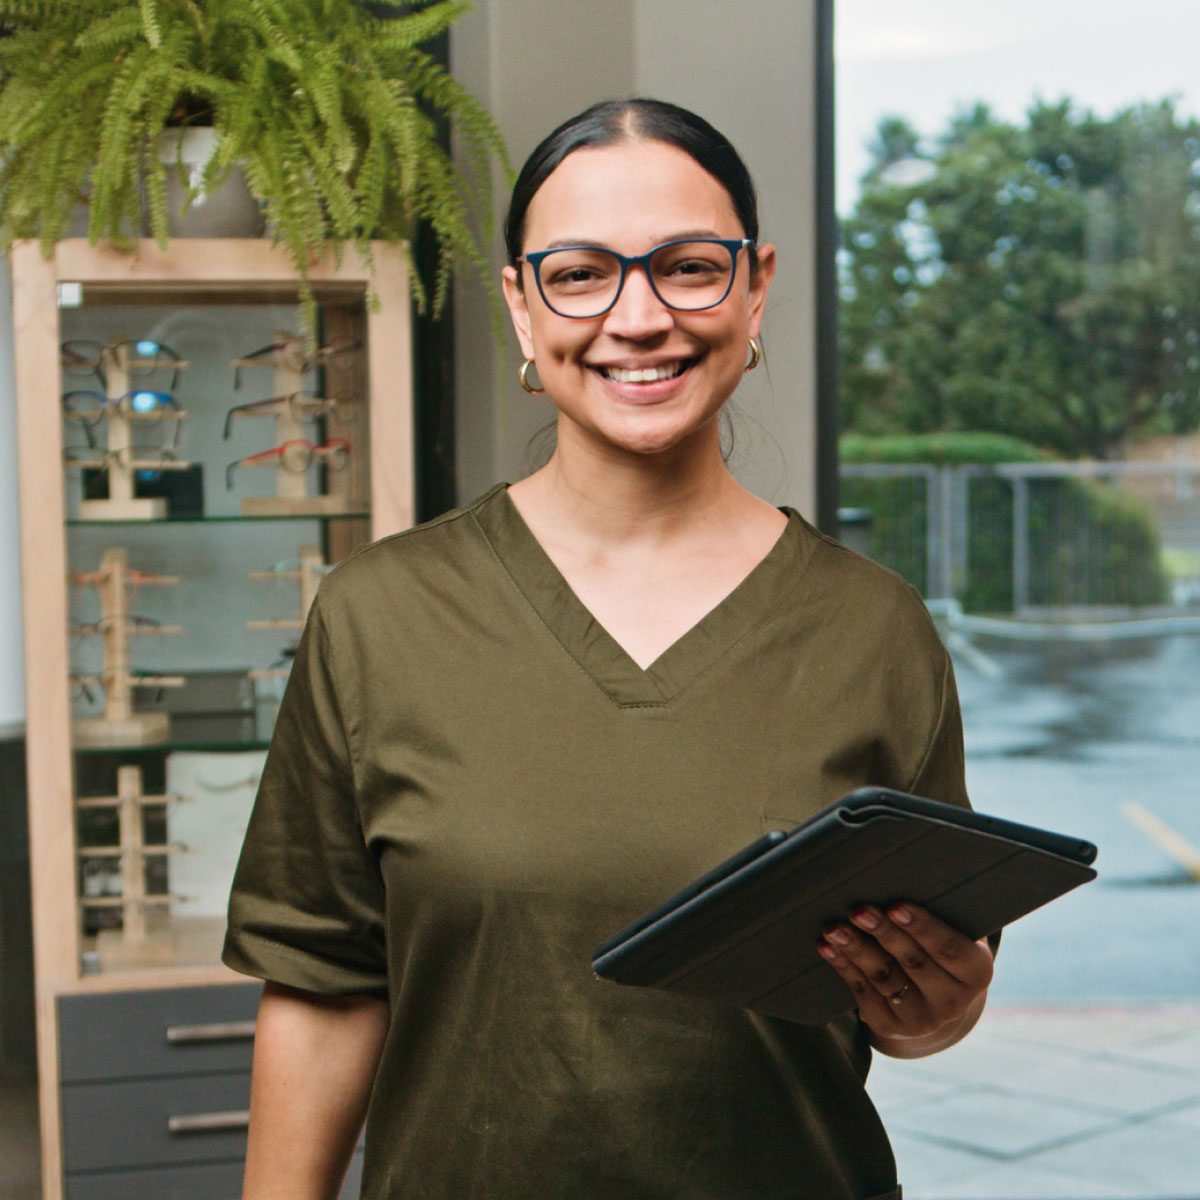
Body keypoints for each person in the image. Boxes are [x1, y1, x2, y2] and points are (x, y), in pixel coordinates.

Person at [223, 97, 994, 1200]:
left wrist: (936, 1012)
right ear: (521, 306)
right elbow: (323, 987)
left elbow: (917, 1002)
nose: (638, 318)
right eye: (581, 274)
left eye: (689, 268)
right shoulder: (378, 617)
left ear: (756, 286)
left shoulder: (874, 629)